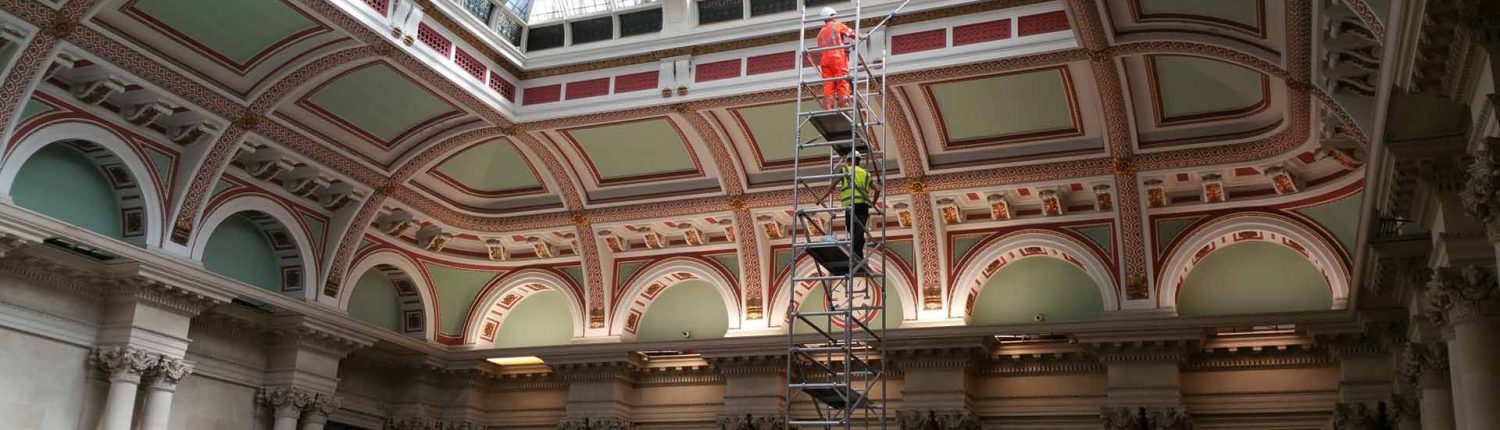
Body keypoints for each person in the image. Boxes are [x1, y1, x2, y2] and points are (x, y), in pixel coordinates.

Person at [836, 149, 879, 265]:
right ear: (859, 161)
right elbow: (877, 190)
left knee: (852, 229)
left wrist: (822, 198)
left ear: (849, 160)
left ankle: (855, 256)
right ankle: (858, 256)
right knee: (859, 231)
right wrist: (873, 204)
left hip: (850, 204)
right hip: (863, 205)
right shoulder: (866, 173)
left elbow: (833, 184)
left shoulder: (845, 170)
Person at [816, 6, 855, 110]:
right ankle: (844, 108)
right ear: (831, 16)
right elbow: (852, 33)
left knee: (828, 85)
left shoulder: (820, 33)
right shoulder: (836, 25)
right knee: (842, 82)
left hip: (825, 62)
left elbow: (820, 47)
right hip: (837, 58)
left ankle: (828, 109)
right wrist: (863, 35)